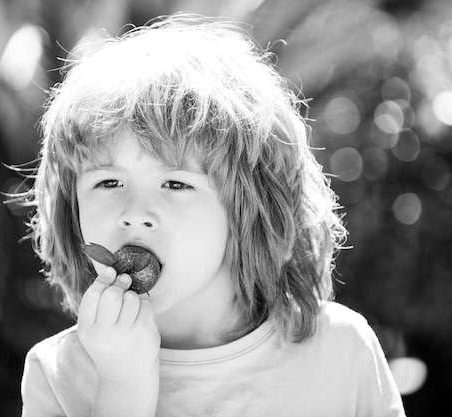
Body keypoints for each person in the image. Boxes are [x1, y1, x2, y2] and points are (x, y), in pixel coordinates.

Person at [20, 13, 406, 417]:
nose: (134, 215)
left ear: (247, 208)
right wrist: (122, 383)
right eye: (108, 183)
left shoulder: (339, 353)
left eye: (176, 184)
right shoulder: (58, 374)